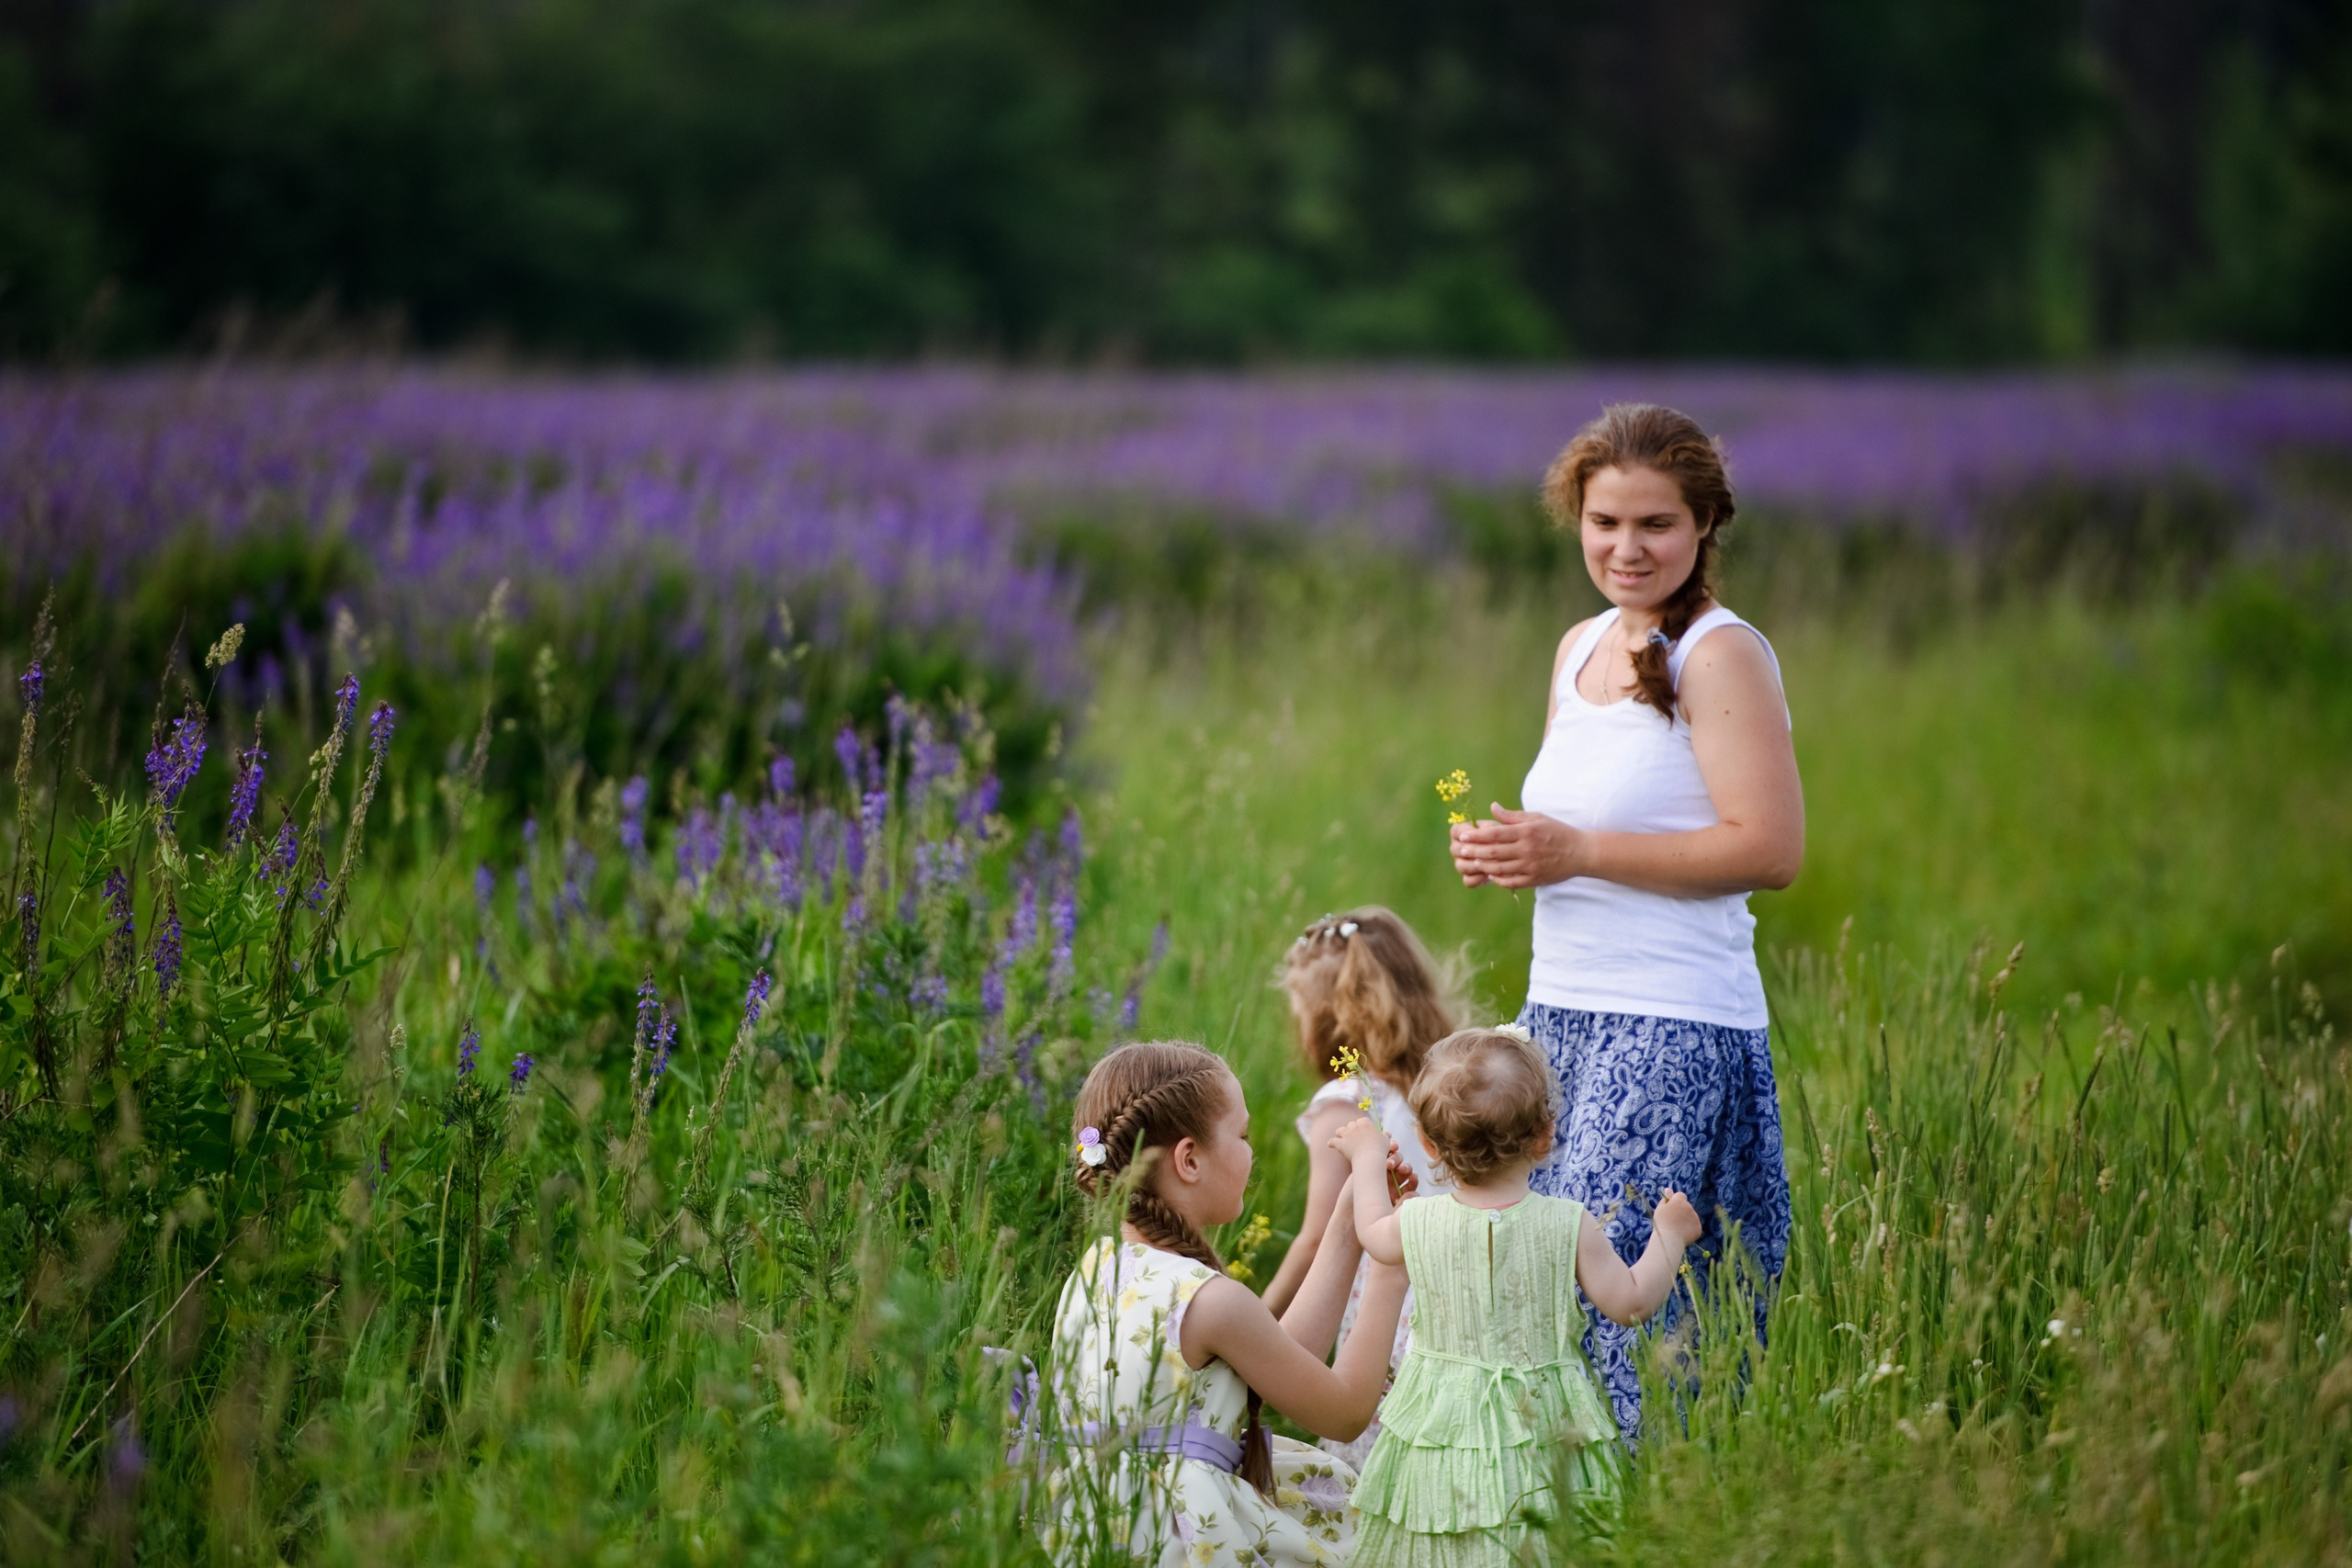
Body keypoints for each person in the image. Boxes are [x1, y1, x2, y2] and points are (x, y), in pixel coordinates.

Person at [1448, 402, 1800, 1441]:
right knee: (1532, 1289)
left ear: (1702, 527)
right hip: (1561, 1018)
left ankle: (1637, 1518)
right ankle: (1539, 1515)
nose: (1626, 548)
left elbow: (1770, 851)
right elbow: (1583, 828)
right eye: (1605, 523)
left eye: (1655, 524)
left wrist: (1579, 853)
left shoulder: (1721, 653)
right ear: (1576, 521)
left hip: (1674, 1024)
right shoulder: (1577, 647)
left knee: (1614, 1303)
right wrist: (1518, 854)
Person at [1330, 1026, 1703, 1566]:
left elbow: (1369, 1230)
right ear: (1545, 1136)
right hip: (1545, 1419)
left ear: (1429, 1144)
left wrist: (1368, 1155)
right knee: (1549, 1536)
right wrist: (1669, 1234)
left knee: (1440, 1533)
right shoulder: (1567, 1224)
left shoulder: (1416, 1221)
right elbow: (1631, 1303)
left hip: (1442, 1422)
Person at [1038, 1040, 1410, 1567]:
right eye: (1242, 1135)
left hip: (1097, 1530)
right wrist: (1392, 1267)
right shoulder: (1208, 1299)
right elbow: (1345, 1411)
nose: (1250, 1151)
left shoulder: (1098, 1268)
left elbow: (1279, 1361)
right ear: (1189, 1159)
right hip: (1182, 1540)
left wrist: (1352, 1217)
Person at [1261, 908, 1462, 1468]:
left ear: (1325, 1018)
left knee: (1383, 1458)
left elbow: (1314, 1239)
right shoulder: (1450, 1083)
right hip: (1461, 1281)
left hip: (1388, 1303)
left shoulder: (1342, 1103)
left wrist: (1259, 1326)